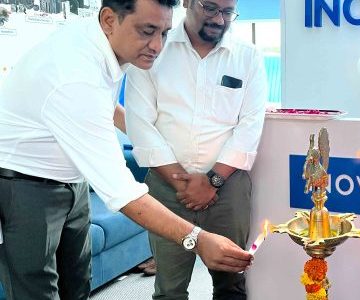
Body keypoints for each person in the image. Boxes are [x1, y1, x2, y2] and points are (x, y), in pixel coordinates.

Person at [0, 0, 253, 299]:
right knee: (36, 291)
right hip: (25, 184)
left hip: (74, 182)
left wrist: (156, 143)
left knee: (78, 284)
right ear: (109, 19)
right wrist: (197, 239)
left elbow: (105, 108)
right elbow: (122, 192)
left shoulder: (102, 44)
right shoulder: (74, 74)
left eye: (164, 32)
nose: (157, 46)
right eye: (147, 31)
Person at [124, 0, 267, 298]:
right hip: (167, 189)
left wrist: (213, 180)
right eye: (210, 8)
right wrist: (183, 182)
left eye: (228, 12)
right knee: (170, 288)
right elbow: (140, 124)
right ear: (187, 2)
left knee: (231, 282)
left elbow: (250, 125)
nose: (219, 19)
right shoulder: (153, 50)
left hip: (227, 189)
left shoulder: (247, 56)